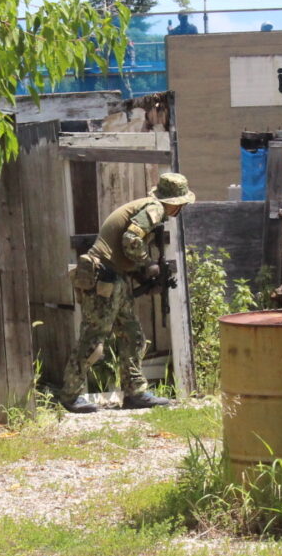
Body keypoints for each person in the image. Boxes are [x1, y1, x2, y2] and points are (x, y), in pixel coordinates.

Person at [58, 172, 195, 414]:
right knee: (93, 338)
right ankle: (70, 396)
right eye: (181, 204)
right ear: (174, 203)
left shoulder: (147, 207)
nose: (180, 209)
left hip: (114, 278)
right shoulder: (155, 208)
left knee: (133, 336)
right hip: (104, 277)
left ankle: (135, 393)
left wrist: (143, 277)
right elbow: (130, 240)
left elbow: (125, 248)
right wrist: (147, 265)